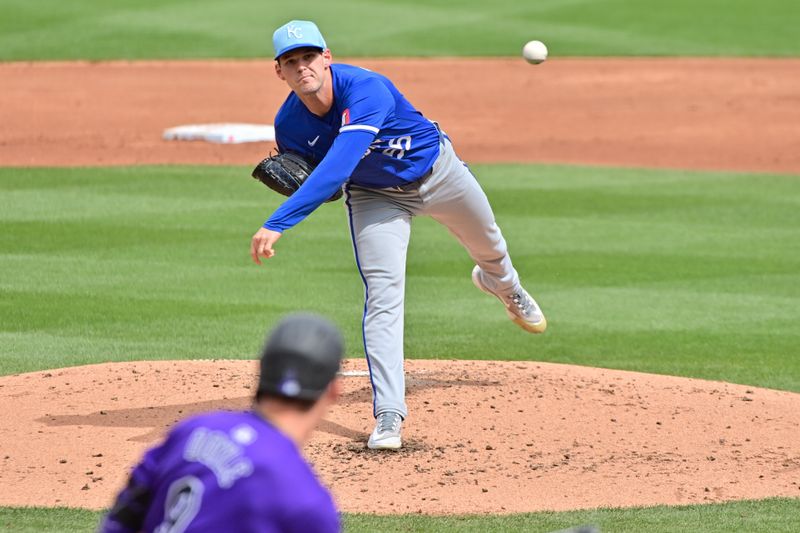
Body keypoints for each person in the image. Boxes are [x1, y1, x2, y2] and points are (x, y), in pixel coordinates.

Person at [250, 20, 546, 450]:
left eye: (309, 57)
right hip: (376, 198)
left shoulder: (368, 88)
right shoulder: (290, 125)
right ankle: (389, 414)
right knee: (383, 295)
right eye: (291, 62)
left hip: (439, 173)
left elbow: (338, 163)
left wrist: (279, 221)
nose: (302, 67)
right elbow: (332, 184)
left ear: (327, 57)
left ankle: (504, 286)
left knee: (491, 248)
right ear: (279, 72)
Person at [99, 313, 344, 533]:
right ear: (333, 391)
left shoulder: (192, 431)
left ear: (262, 371)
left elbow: (123, 517)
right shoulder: (308, 501)